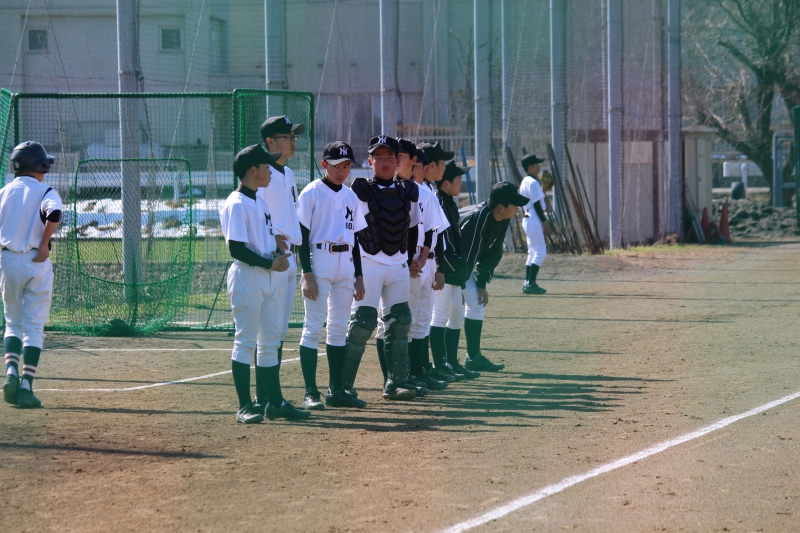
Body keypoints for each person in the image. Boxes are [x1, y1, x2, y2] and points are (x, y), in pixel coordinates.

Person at [220, 144, 309, 423]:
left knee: (269, 342)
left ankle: (275, 403)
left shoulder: (259, 200)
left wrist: (276, 247)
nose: (270, 171)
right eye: (265, 166)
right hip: (247, 277)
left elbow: (260, 239)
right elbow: (236, 248)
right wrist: (270, 263)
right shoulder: (236, 203)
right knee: (245, 341)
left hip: (267, 276)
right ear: (251, 170)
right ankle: (245, 406)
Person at [342, 135, 421, 401]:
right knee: (362, 323)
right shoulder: (359, 190)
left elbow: (413, 228)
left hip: (398, 265)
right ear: (370, 161)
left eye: (390, 157)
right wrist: (356, 271)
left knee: (400, 322)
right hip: (370, 263)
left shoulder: (408, 190)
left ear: (398, 160)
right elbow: (352, 231)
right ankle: (342, 387)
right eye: (379, 158)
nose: (385, 162)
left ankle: (396, 383)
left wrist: (408, 259)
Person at [297, 141, 368, 410]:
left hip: (345, 262)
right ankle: (310, 392)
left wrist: (359, 275)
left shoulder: (350, 196)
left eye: (347, 166)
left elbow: (356, 239)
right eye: (337, 165)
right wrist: (307, 272)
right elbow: (302, 237)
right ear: (324, 164)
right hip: (319, 260)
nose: (342, 171)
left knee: (339, 329)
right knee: (313, 326)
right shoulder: (312, 192)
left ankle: (336, 390)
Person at [1, 142, 63, 408]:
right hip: (36, 261)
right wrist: (44, 243)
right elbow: (55, 213)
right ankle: (26, 386)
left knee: (12, 322)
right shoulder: (46, 191)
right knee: (34, 326)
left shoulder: (4, 192)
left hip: (7, 261)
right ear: (40, 166)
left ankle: (10, 373)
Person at [374, 138, 436, 395]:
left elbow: (427, 229)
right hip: (383, 262)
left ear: (412, 160)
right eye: (392, 155)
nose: (395, 160)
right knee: (383, 322)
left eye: (399, 156)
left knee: (407, 322)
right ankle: (389, 380)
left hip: (411, 263)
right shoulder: (374, 188)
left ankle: (405, 376)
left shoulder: (421, 192)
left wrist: (417, 259)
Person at [460, 181, 530, 372]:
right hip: (441, 264)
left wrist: (481, 283)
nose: (517, 208)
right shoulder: (479, 218)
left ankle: (472, 358)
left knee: (476, 301)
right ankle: (441, 363)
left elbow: (492, 253)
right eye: (514, 204)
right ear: (500, 207)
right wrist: (458, 286)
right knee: (445, 312)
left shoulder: (503, 218)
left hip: (460, 265)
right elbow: (467, 254)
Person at [259, 115, 305, 365]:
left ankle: (272, 388)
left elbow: (293, 213)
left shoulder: (288, 172)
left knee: (281, 330)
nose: (293, 141)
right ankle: (266, 388)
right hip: (273, 255)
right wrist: (271, 236)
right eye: (287, 137)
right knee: (270, 329)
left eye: (294, 136)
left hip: (290, 256)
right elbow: (254, 211)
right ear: (270, 141)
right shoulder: (261, 172)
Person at [429, 161, 478, 382]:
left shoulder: (449, 201)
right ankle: (439, 365)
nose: (461, 183)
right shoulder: (439, 201)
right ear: (446, 183)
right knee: (440, 315)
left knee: (456, 313)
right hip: (443, 268)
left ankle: (452, 362)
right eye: (458, 179)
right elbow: (441, 240)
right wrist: (452, 264)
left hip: (453, 269)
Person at [519, 154, 551, 295]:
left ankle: (527, 283)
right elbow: (537, 205)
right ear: (530, 167)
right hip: (534, 217)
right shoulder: (532, 182)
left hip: (527, 216)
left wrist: (543, 190)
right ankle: (531, 283)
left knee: (532, 252)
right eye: (537, 164)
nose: (539, 167)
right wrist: (544, 222)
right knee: (541, 252)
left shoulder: (525, 181)